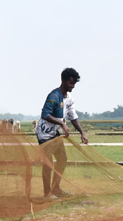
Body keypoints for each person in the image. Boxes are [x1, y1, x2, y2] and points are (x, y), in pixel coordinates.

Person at [35, 68, 89, 198]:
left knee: (62, 159)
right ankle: (47, 193)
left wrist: (82, 133)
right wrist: (62, 124)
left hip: (54, 133)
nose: (73, 86)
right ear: (63, 80)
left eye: (74, 83)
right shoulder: (54, 96)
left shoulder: (69, 98)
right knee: (48, 163)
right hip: (44, 134)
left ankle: (56, 188)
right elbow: (45, 114)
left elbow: (73, 117)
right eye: (71, 83)